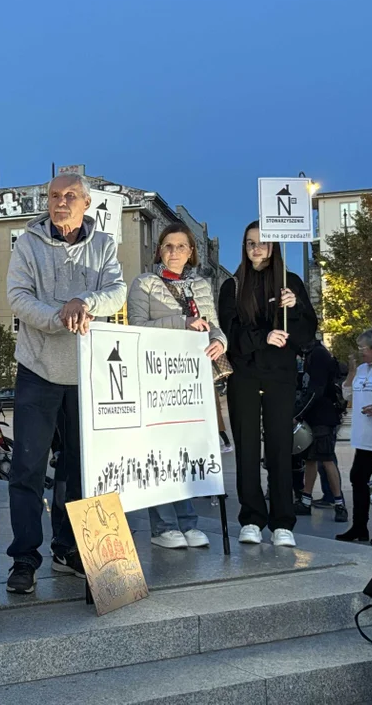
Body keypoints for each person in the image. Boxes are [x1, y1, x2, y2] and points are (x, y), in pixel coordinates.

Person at [5, 174, 127, 594]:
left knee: (78, 468)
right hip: (37, 369)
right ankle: (24, 556)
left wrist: (86, 302)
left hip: (86, 373)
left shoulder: (105, 245)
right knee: (27, 467)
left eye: (69, 196)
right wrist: (60, 315)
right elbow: (17, 298)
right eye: (54, 196)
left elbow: (117, 292)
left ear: (86, 202)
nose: (60, 202)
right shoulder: (27, 244)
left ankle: (68, 548)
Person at [218, 221, 316, 548]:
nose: (256, 249)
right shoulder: (232, 286)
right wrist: (263, 337)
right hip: (245, 375)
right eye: (249, 243)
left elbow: (304, 338)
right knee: (247, 447)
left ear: (273, 247)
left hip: (280, 375)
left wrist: (296, 307)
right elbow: (229, 336)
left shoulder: (291, 283)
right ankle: (251, 517)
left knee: (278, 447)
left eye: (262, 243)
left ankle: (282, 521)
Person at [127, 223, 224, 550]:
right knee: (159, 453)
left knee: (184, 453)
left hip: (190, 381)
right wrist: (181, 323)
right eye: (168, 246)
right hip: (157, 377)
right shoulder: (145, 283)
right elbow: (138, 327)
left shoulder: (201, 286)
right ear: (159, 250)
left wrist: (219, 343)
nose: (174, 252)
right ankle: (162, 525)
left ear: (191, 251)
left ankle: (188, 522)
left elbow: (214, 327)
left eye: (181, 246)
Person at [337, 328, 372, 545]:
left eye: (364, 348)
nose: (361, 352)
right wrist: (352, 372)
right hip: (363, 436)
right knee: (358, 478)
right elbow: (347, 394)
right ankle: (359, 526)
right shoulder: (363, 369)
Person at [294, 340, 347, 522]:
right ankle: (307, 501)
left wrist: (298, 413)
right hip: (315, 415)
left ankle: (339, 503)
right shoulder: (312, 352)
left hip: (322, 416)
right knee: (311, 458)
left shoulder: (317, 355)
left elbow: (316, 390)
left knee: (326, 459)